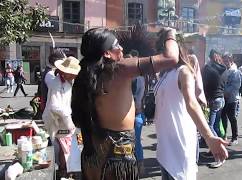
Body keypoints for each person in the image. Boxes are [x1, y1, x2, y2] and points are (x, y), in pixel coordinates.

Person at [71, 27, 181, 180]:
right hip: (117, 163)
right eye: (117, 45)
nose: (121, 48)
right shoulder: (120, 69)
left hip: (93, 158)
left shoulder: (84, 74)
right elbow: (171, 58)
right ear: (107, 53)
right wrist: (170, 34)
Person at [153, 42, 228, 179]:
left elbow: (192, 104)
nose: (161, 55)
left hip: (180, 144)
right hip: (165, 146)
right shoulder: (165, 74)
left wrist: (209, 137)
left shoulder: (183, 71)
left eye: (165, 50)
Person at [42, 56, 81, 173]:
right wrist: (69, 123)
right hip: (57, 122)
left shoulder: (67, 82)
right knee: (64, 149)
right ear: (65, 72)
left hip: (62, 121)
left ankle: (65, 170)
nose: (75, 75)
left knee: (65, 148)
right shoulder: (56, 84)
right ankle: (63, 172)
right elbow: (55, 106)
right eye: (73, 73)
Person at [221, 52, 241, 146]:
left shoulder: (235, 71)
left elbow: (236, 86)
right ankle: (224, 136)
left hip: (232, 99)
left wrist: (225, 92)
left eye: (227, 60)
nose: (225, 62)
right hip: (224, 98)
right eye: (224, 60)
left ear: (231, 60)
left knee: (232, 118)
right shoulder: (225, 70)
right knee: (223, 117)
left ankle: (235, 137)